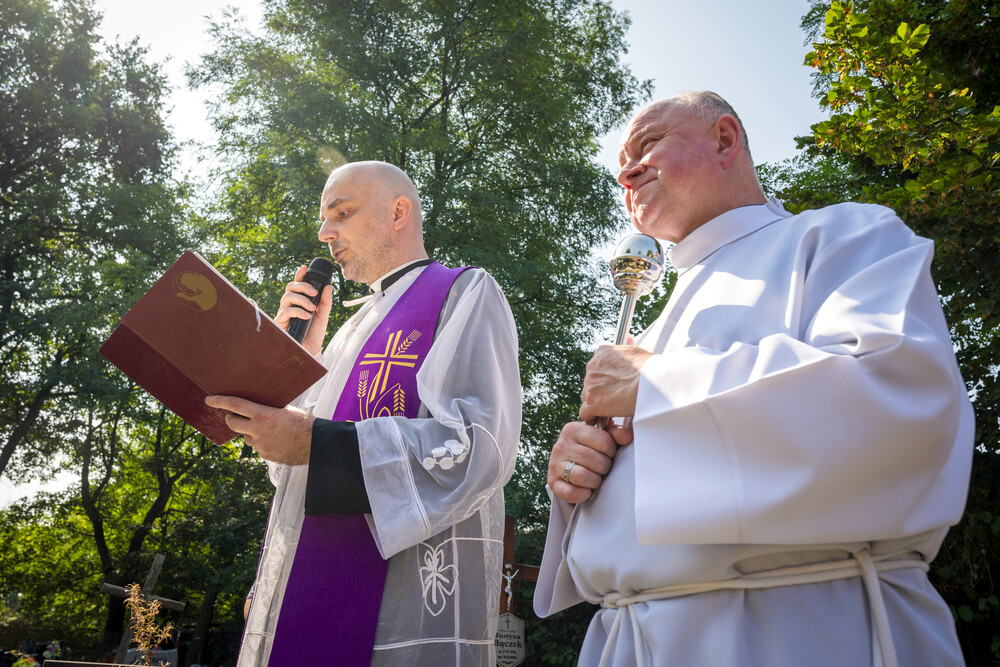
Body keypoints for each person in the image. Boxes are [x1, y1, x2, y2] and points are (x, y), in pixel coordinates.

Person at [533, 92, 974, 666]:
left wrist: (660, 384)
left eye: (648, 144)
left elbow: (897, 399)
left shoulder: (844, 235)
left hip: (802, 628)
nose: (627, 169)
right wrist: (577, 476)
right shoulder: (656, 319)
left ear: (724, 139)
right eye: (622, 159)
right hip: (630, 639)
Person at [206, 161, 521, 666]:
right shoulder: (349, 330)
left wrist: (315, 442)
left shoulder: (463, 293)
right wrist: (299, 364)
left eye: (342, 213)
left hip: (396, 604)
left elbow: (476, 448)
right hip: (308, 584)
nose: (325, 234)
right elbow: (290, 467)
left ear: (398, 212)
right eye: (324, 221)